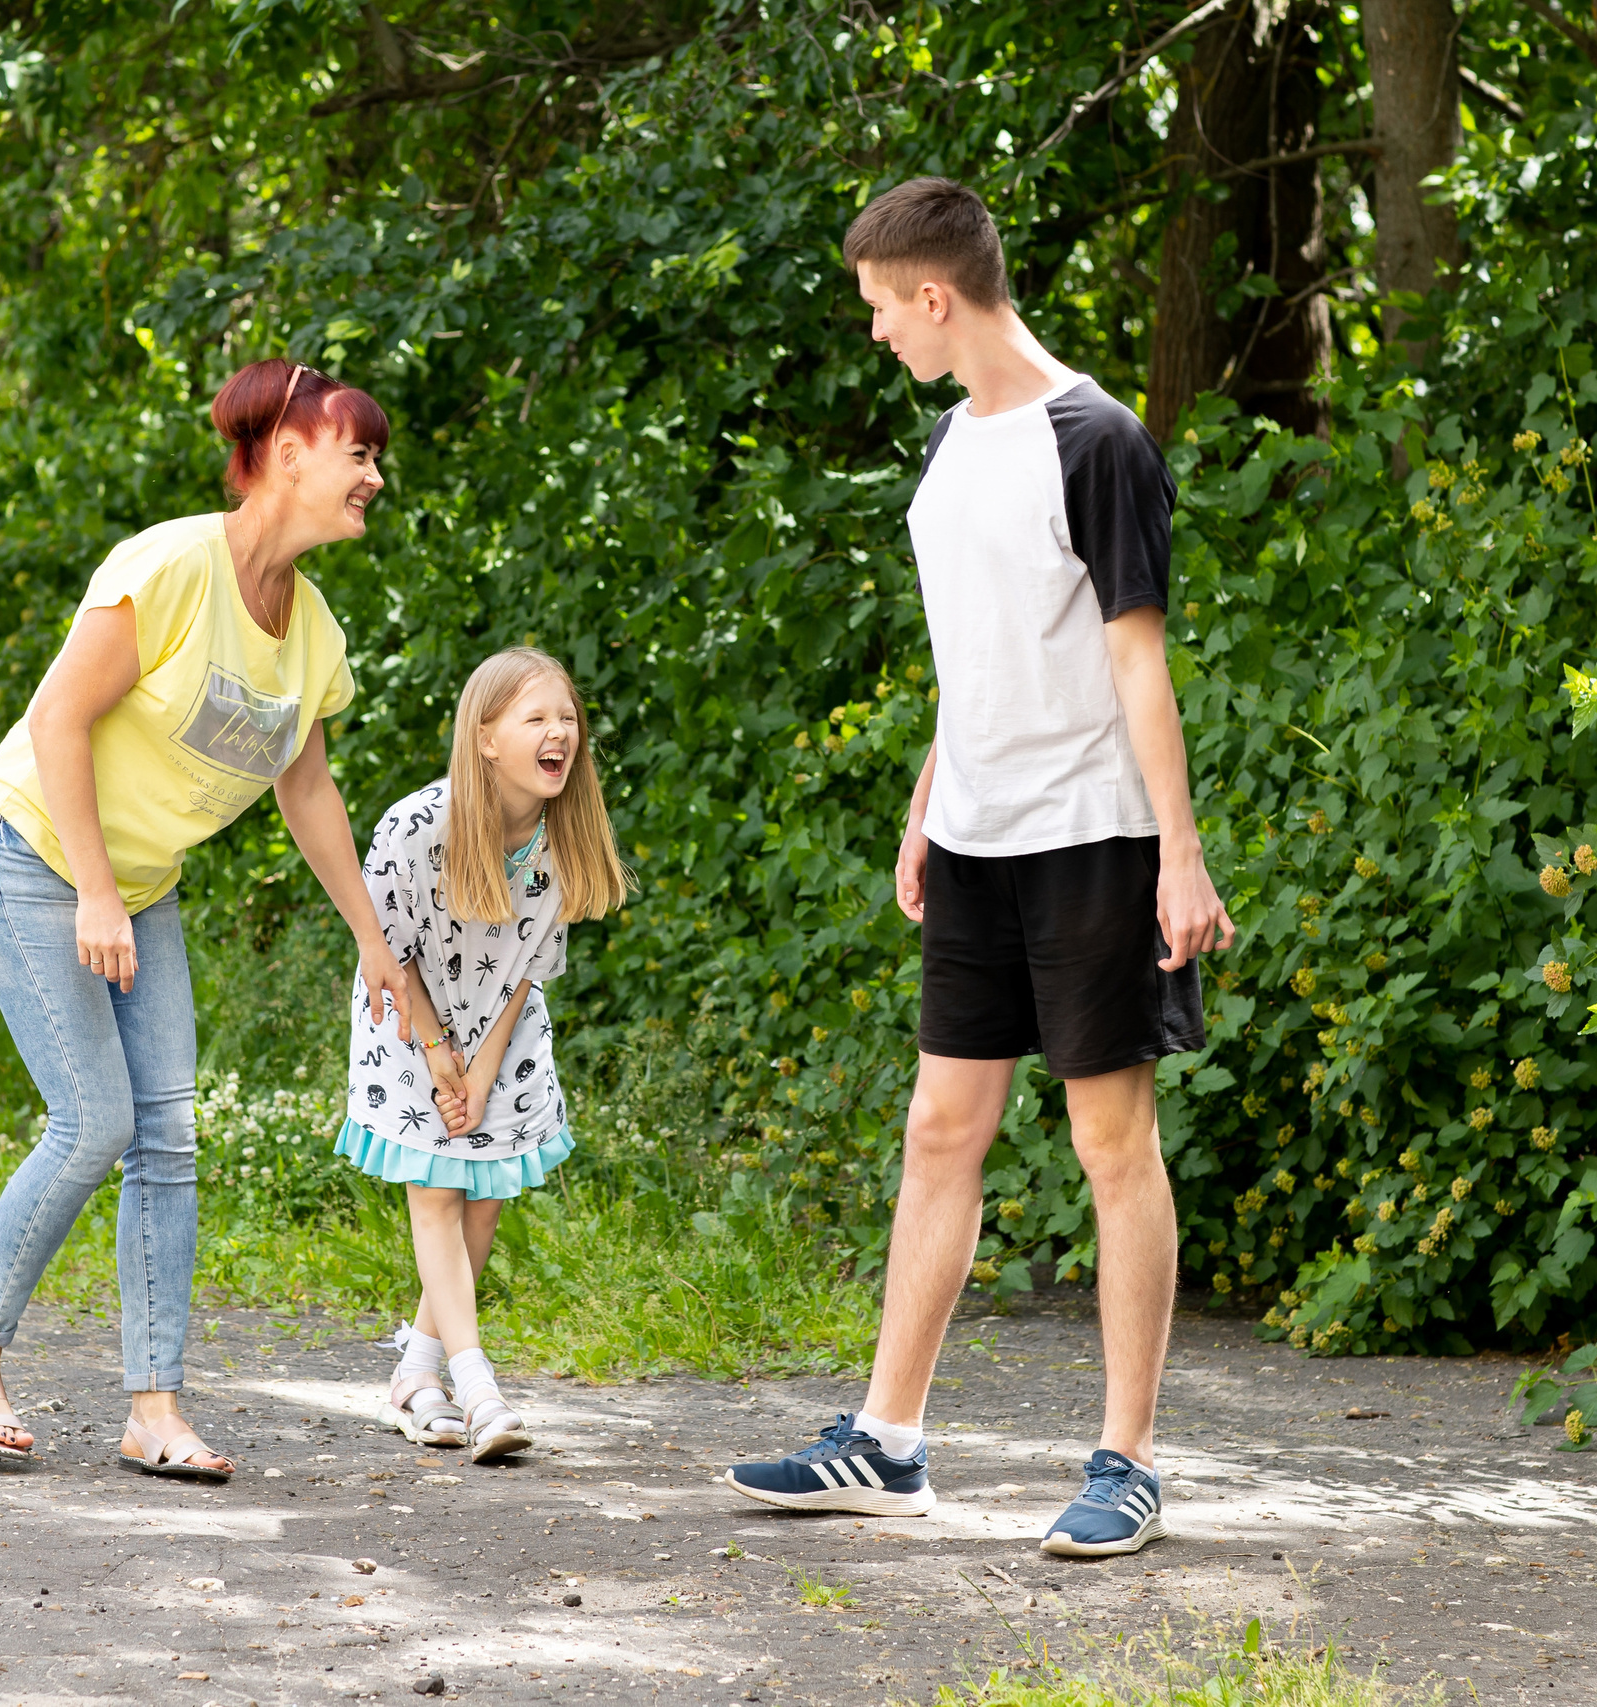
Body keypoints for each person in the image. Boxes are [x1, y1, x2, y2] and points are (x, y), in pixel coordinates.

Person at [725, 178, 1235, 1557]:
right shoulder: (954, 438)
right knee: (941, 1131)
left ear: (936, 295)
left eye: (886, 311)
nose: (882, 335)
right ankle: (887, 1441)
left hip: (1093, 842)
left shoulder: (1097, 438)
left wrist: (1178, 858)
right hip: (976, 840)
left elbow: (1138, 659)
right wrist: (927, 795)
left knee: (1107, 1139)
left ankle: (1128, 1457)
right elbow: (980, 644)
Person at [0, 358, 415, 1481]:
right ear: (288, 454)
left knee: (168, 1139)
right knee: (94, 1123)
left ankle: (153, 1409)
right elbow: (57, 720)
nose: (373, 477)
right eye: (359, 452)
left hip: (136, 887)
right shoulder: (171, 564)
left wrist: (370, 935)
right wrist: (96, 889)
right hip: (31, 851)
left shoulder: (311, 629)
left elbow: (308, 790)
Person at [336, 648, 632, 1463]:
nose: (559, 732)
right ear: (487, 736)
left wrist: (482, 1067)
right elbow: (387, 955)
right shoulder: (414, 826)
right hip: (407, 1015)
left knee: (486, 1189)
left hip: (502, 1028)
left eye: (567, 717)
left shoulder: (559, 834)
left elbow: (528, 972)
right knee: (435, 1186)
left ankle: (417, 1372)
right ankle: (478, 1388)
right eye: (536, 717)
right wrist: (436, 1054)